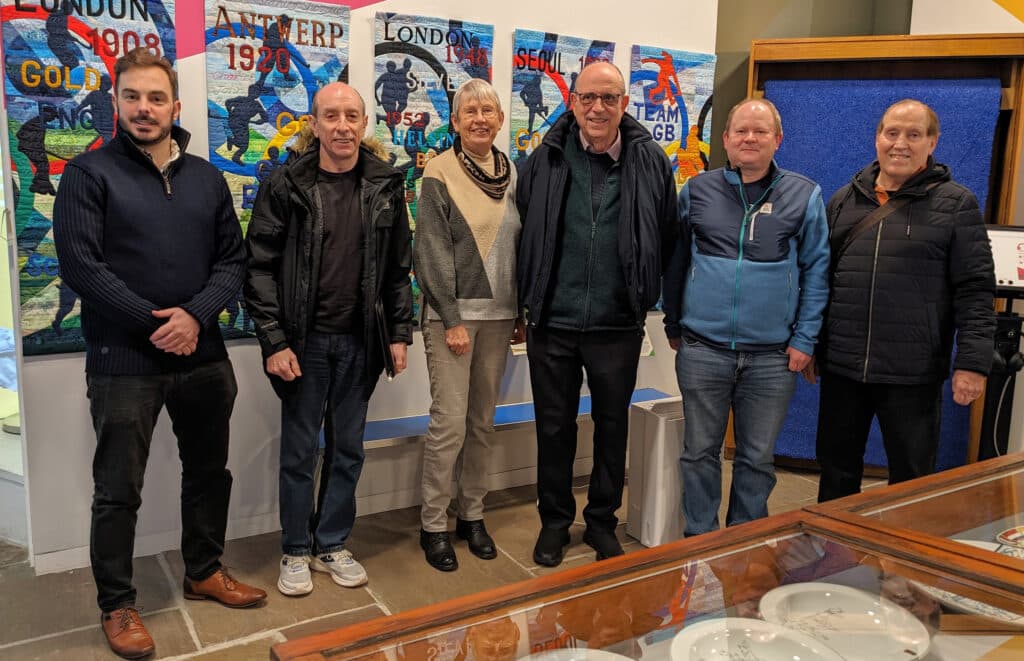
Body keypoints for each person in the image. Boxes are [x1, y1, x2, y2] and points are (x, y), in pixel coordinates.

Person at [52, 47, 266, 660]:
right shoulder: (87, 175)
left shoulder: (204, 176)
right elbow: (82, 268)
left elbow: (233, 260)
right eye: (131, 98)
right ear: (114, 102)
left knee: (209, 473)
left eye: (155, 98)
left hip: (204, 357)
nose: (143, 109)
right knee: (118, 489)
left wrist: (195, 316)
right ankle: (117, 604)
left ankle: (204, 571)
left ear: (175, 105)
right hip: (124, 362)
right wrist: (157, 324)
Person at [245, 82, 413, 596]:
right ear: (313, 125)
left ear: (364, 125)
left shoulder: (385, 185)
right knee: (299, 450)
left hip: (361, 342)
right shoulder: (285, 185)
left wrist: (399, 334)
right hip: (304, 343)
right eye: (331, 116)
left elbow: (398, 269)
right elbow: (259, 268)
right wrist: (274, 341)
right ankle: (295, 550)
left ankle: (332, 542)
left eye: (351, 116)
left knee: (348, 451)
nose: (342, 125)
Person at [516, 62, 677, 566]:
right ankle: (555, 523)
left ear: (624, 104)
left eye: (609, 98)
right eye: (588, 98)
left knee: (612, 427)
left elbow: (667, 233)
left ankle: (602, 520)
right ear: (573, 102)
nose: (597, 108)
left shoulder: (650, 161)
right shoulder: (544, 158)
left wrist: (647, 294)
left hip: (617, 322)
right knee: (554, 426)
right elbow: (527, 225)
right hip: (554, 322)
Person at [663, 98, 829, 537]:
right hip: (703, 351)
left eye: (760, 131)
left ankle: (745, 542)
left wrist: (805, 340)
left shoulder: (804, 194)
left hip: (773, 357)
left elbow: (817, 271)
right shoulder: (696, 190)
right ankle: (699, 540)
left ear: (778, 139)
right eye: (741, 131)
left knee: (757, 459)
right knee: (699, 453)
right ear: (726, 139)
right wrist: (673, 324)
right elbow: (676, 260)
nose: (750, 139)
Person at [814, 99, 995, 502]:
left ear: (932, 143)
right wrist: (811, 345)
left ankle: (903, 562)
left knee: (912, 481)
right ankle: (833, 557)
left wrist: (972, 363)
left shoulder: (956, 204)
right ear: (877, 138)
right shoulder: (845, 200)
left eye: (914, 134)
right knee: (836, 471)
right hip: (843, 368)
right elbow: (820, 281)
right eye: (892, 133)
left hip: (912, 374)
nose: (901, 143)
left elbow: (976, 290)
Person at [414, 79, 522, 572]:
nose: (479, 118)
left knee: (482, 423)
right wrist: (452, 318)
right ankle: (433, 523)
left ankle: (471, 514)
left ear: (500, 121)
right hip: (452, 320)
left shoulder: (511, 171)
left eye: (488, 110)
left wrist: (518, 312)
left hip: (500, 317)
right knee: (449, 424)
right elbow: (431, 251)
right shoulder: (438, 171)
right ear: (454, 122)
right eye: (469, 112)